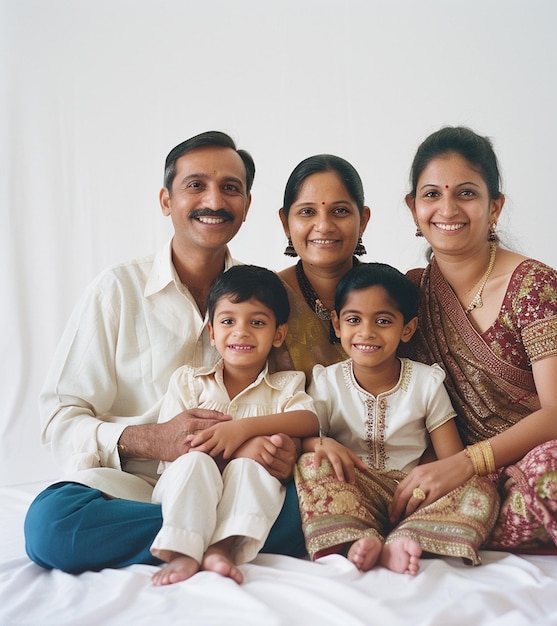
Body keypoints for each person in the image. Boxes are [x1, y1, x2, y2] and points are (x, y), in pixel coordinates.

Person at [24, 131, 302, 573]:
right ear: (165, 200)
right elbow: (60, 419)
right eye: (196, 185)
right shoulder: (116, 290)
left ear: (246, 205)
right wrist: (149, 438)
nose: (214, 200)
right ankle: (225, 535)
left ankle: (200, 535)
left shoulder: (265, 297)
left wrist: (287, 450)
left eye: (230, 188)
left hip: (237, 479)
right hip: (130, 487)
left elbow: (288, 402)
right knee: (51, 525)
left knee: (323, 509)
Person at [397, 125, 557, 557]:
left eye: (465, 193)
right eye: (431, 195)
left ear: (494, 206)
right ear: (413, 208)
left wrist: (465, 464)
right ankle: (493, 519)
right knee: (409, 488)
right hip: (480, 478)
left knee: (549, 470)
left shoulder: (536, 285)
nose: (447, 208)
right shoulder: (410, 295)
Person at [295, 263, 499, 575]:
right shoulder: (327, 382)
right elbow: (306, 436)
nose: (367, 332)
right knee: (312, 464)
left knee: (481, 489)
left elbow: (452, 460)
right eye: (353, 320)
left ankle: (407, 537)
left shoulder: (426, 382)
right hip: (355, 488)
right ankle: (359, 538)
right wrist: (320, 443)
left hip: (415, 493)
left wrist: (424, 486)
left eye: (383, 321)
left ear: (407, 328)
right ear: (337, 324)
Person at [151, 265, 319, 586]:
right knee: (197, 462)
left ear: (278, 334)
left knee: (250, 470)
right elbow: (175, 451)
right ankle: (183, 551)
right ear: (212, 333)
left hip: (247, 493)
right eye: (228, 321)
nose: (241, 331)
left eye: (257, 322)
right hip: (186, 483)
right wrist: (245, 447)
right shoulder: (189, 383)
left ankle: (220, 548)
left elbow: (308, 420)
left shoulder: (286, 386)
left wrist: (243, 430)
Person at [269, 154, 371, 382]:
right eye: (307, 212)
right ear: (285, 222)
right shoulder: (264, 298)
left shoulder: (390, 292)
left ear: (363, 220)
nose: (324, 226)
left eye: (340, 211)